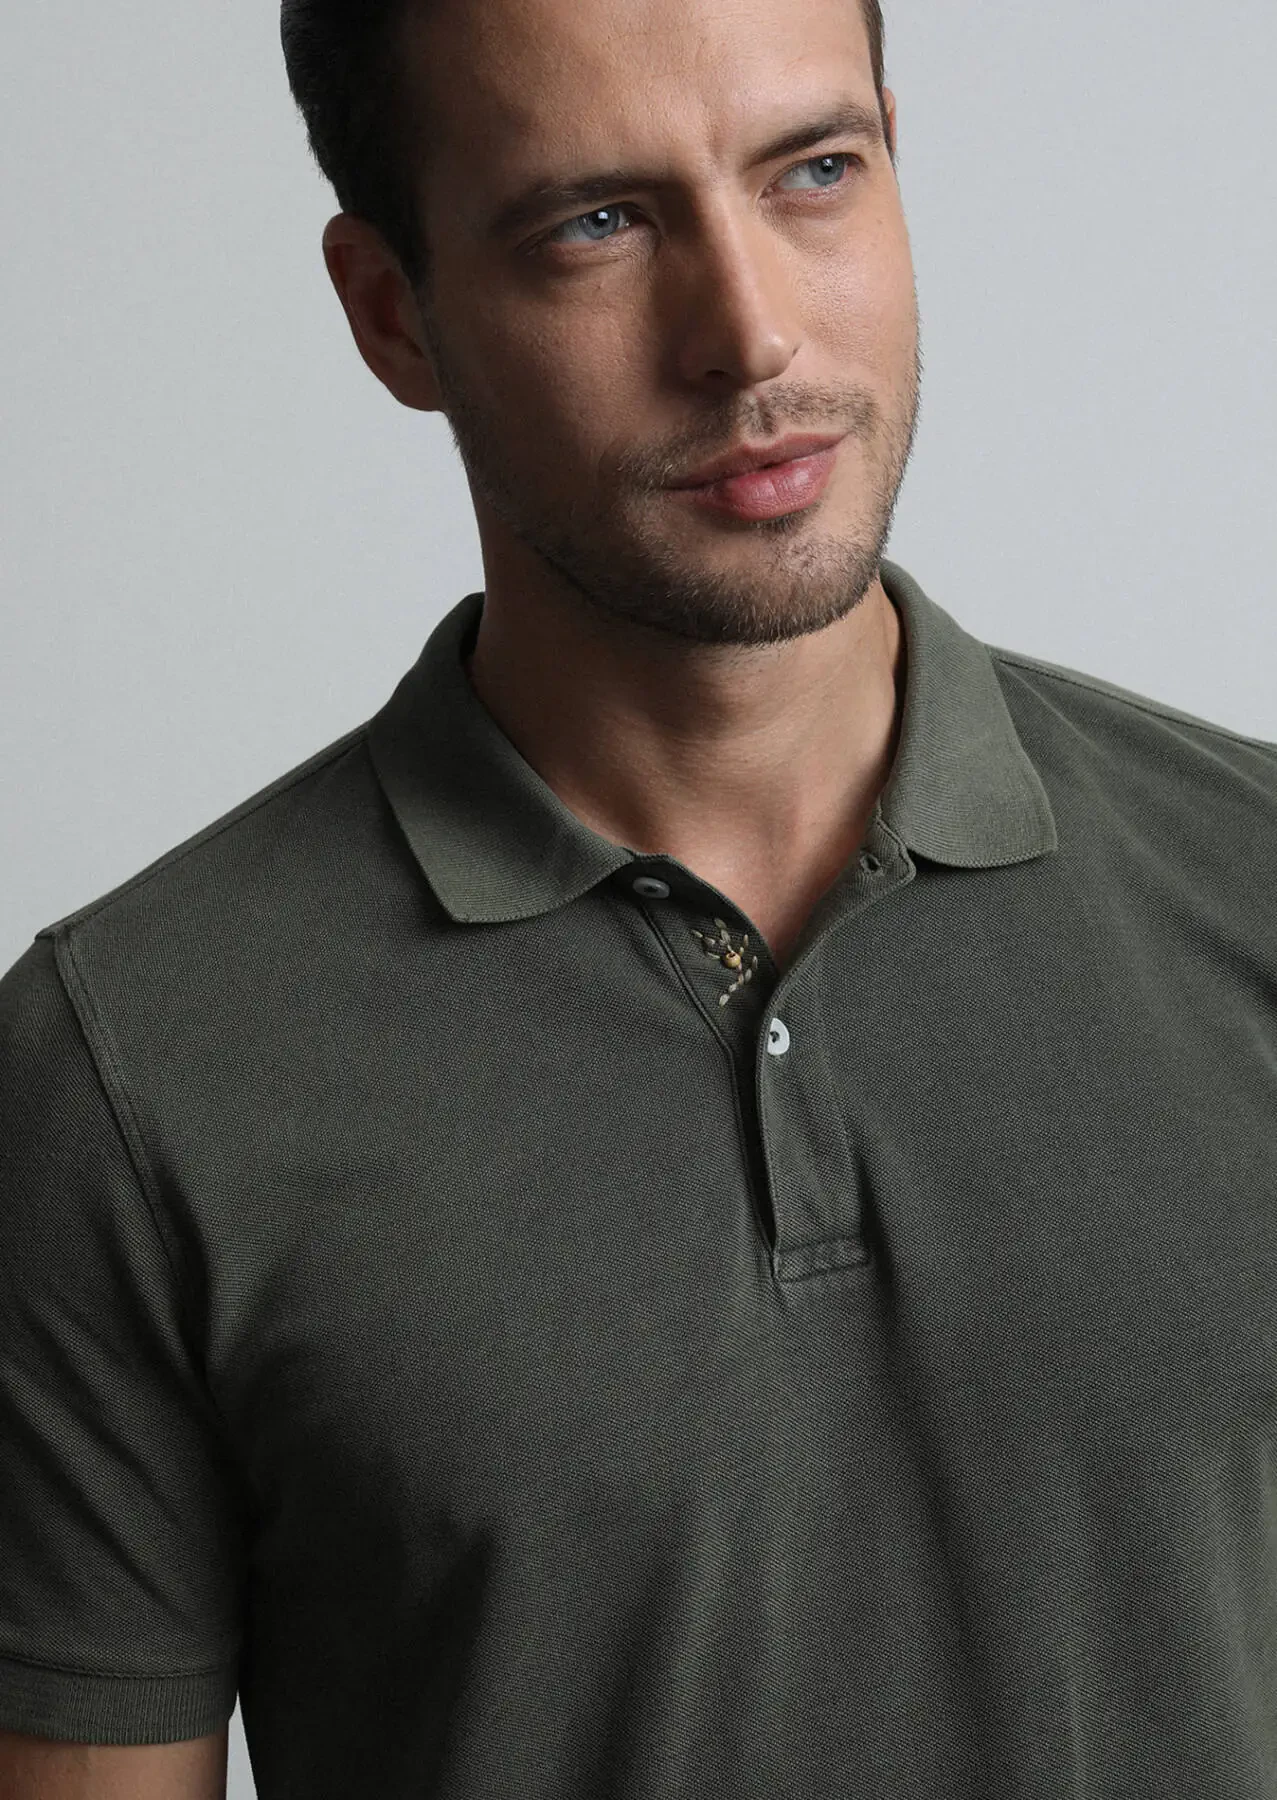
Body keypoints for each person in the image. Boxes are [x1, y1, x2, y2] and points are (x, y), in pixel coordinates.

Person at [1, 0, 1274, 1793]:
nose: (749, 332)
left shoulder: (1250, 887)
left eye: (814, 171)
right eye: (596, 222)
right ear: (392, 312)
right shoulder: (124, 1073)